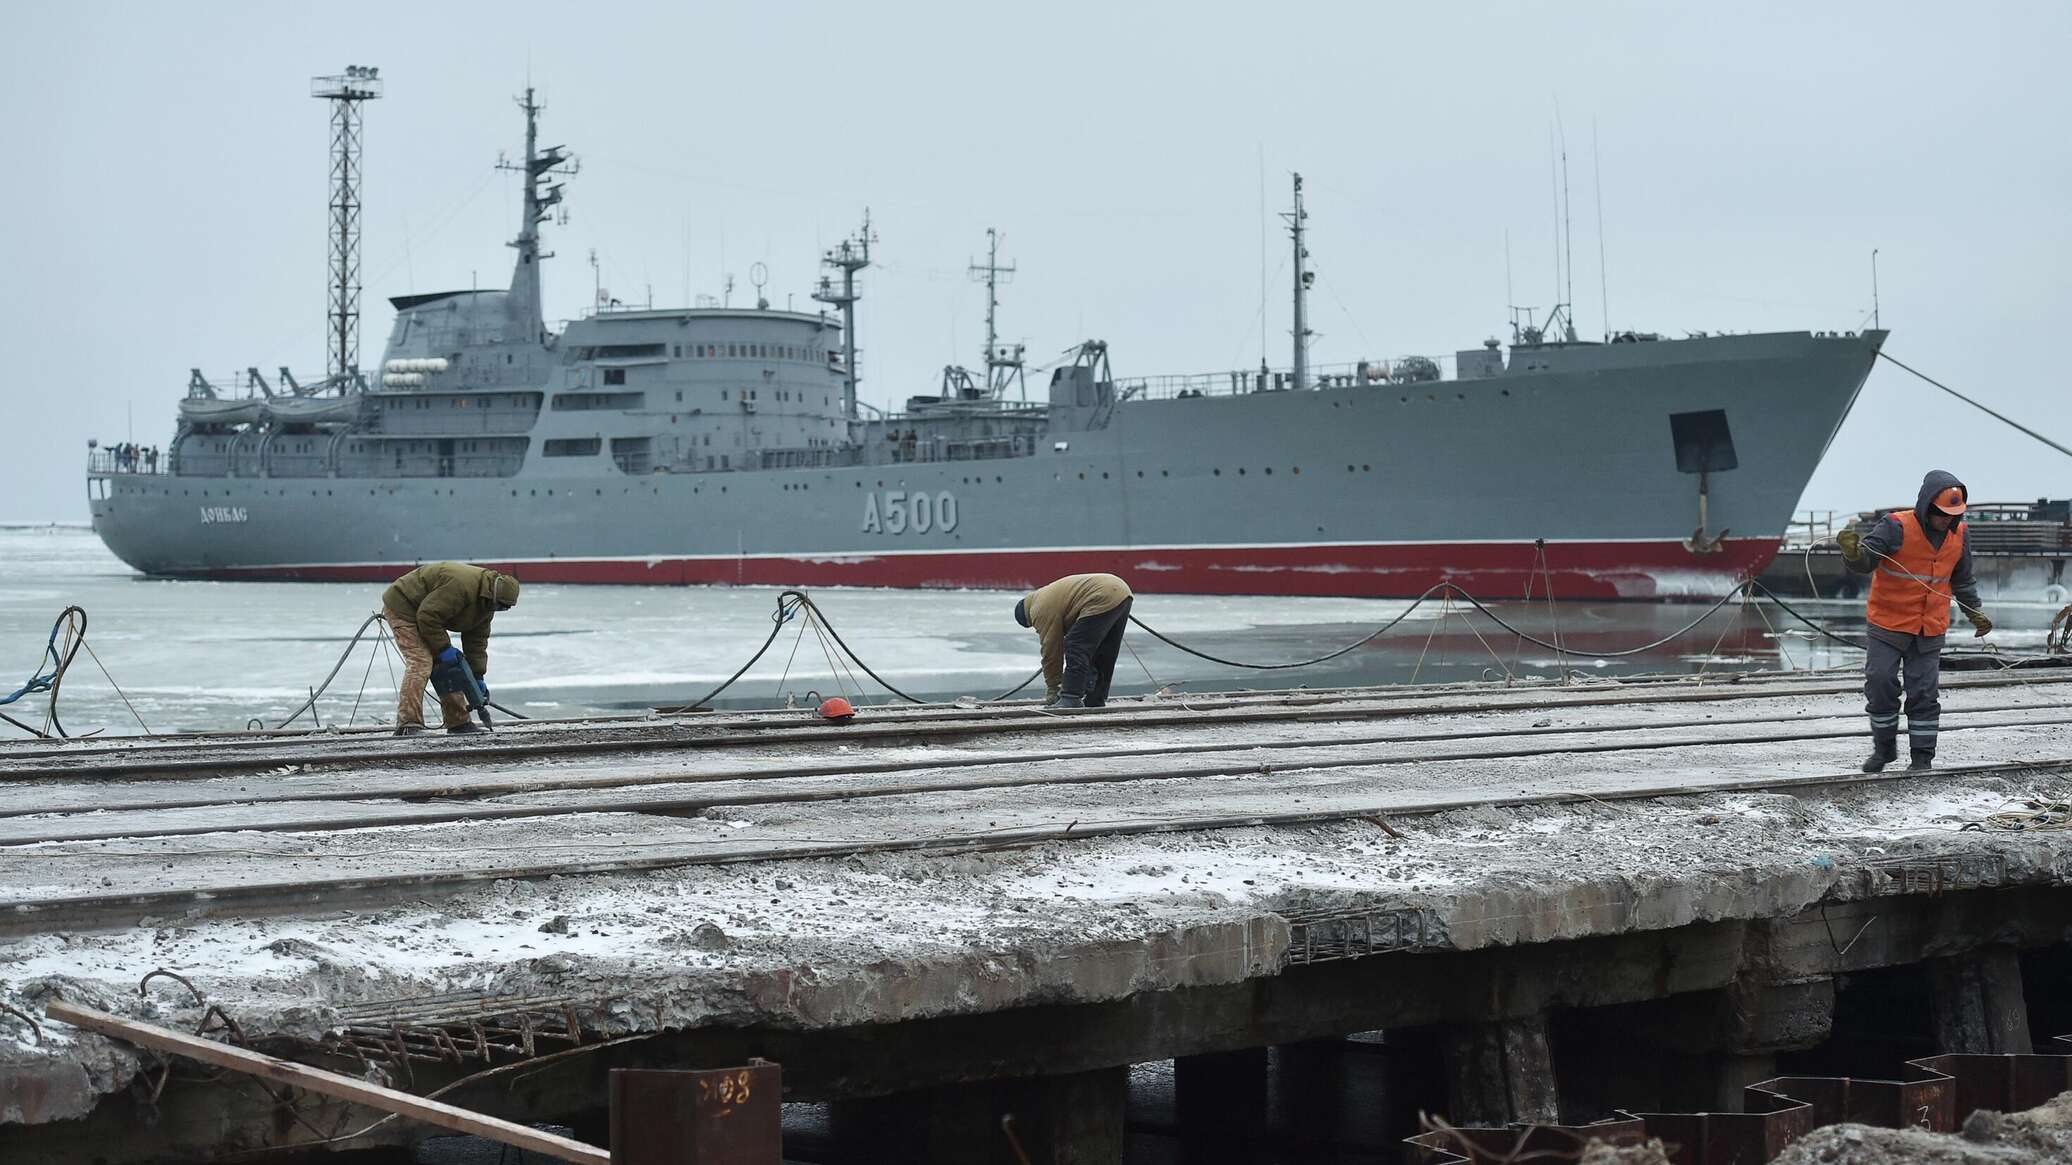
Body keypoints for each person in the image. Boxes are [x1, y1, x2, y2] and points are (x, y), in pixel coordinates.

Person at [1837, 470, 1991, 772]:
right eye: (1942, 514)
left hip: (1929, 628)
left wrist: (1974, 610)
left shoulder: (1961, 535)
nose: (1947, 520)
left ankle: (1922, 759)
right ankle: (1884, 750)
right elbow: (1865, 562)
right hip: (1888, 625)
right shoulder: (1894, 527)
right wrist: (1851, 554)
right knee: (1880, 683)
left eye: (1953, 515)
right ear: (1927, 507)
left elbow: (1962, 579)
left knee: (1924, 693)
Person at [381, 562, 521, 736]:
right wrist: (444, 649)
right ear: (492, 595)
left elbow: (476, 643)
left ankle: (458, 723)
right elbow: (427, 616)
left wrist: (477, 676)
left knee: (450, 666)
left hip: (428, 613)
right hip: (404, 607)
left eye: (504, 608)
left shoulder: (486, 606)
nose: (500, 609)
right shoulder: (461, 587)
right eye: (500, 605)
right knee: (421, 662)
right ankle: (408, 725)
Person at [1014, 573, 1133, 709]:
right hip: (1122, 592)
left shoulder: (1037, 609)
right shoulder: (1045, 596)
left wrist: (1054, 687)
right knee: (1104, 651)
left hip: (1100, 595)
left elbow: (1051, 651)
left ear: (1027, 618)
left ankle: (1071, 697)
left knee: (1075, 646)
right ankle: (1095, 698)